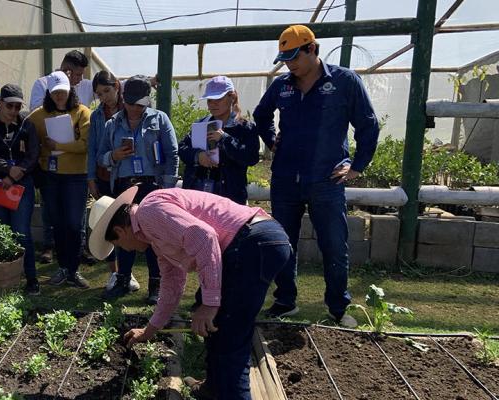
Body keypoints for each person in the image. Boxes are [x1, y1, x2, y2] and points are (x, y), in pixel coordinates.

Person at [88, 187, 292, 400]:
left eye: (118, 244)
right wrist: (149, 330)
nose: (126, 250)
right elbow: (172, 284)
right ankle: (213, 389)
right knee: (217, 323)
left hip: (252, 242)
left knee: (230, 338)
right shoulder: (156, 236)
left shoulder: (149, 212)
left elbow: (204, 237)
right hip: (258, 240)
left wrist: (210, 304)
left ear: (120, 231)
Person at [253, 25, 380, 328]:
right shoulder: (282, 85)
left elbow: (368, 124)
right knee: (283, 243)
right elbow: (261, 115)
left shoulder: (344, 81)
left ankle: (338, 308)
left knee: (334, 245)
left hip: (326, 180)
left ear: (312, 49)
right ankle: (285, 301)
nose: (289, 65)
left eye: (294, 57)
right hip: (285, 178)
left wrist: (357, 166)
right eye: (284, 59)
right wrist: (271, 141)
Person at [97, 75, 178, 304]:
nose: (134, 108)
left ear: (147, 100)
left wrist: (166, 189)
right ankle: (123, 279)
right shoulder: (112, 124)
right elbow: (100, 157)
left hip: (152, 186)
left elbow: (172, 154)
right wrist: (114, 156)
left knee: (153, 235)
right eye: (130, 103)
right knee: (125, 233)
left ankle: (156, 284)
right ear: (124, 99)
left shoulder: (160, 119)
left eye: (140, 104)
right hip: (124, 185)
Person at [28, 71, 92, 288]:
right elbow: (25, 132)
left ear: (70, 90)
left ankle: (74, 269)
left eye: (63, 91)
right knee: (58, 224)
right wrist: (38, 152)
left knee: (74, 224)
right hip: (51, 177)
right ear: (49, 93)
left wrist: (59, 146)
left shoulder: (82, 112)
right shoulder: (38, 115)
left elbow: (86, 145)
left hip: (76, 177)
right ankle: (64, 268)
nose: (59, 96)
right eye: (55, 92)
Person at [0, 84, 41, 295]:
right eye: (9, 105)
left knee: (22, 232)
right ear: (0, 103)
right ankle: (7, 281)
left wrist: (15, 174)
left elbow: (33, 155)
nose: (13, 110)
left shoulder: (27, 125)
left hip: (21, 184)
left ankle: (31, 279)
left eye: (18, 106)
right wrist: (7, 169)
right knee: (3, 233)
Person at [86, 71, 141, 293]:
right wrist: (91, 177)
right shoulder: (97, 116)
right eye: (99, 94)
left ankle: (127, 272)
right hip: (104, 175)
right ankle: (114, 272)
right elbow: (92, 149)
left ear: (117, 87)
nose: (104, 97)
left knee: (127, 223)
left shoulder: (131, 109)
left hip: (126, 176)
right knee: (107, 223)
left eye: (107, 91)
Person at [178, 76, 259, 204]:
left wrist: (225, 139)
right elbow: (182, 148)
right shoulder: (201, 124)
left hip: (230, 196)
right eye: (210, 100)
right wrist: (198, 156)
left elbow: (251, 158)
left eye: (218, 99)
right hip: (198, 193)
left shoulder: (245, 127)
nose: (213, 104)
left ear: (232, 97)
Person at [29, 49, 95, 109]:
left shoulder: (87, 85)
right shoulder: (41, 84)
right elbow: (35, 112)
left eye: (82, 74)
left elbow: (101, 88)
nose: (81, 79)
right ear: (67, 72)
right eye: (78, 75)